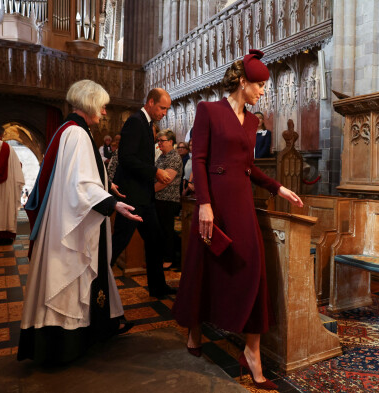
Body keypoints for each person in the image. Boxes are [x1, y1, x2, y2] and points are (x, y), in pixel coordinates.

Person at [172, 49, 303, 390]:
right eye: (259, 85)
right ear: (242, 82)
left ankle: (252, 351)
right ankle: (195, 330)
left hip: (241, 201)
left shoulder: (254, 120)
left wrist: (279, 188)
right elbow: (198, 160)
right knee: (204, 265)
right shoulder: (208, 110)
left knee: (252, 268)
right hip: (213, 200)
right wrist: (204, 204)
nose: (263, 91)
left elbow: (249, 168)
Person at [18, 80, 141, 364]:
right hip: (69, 221)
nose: (105, 112)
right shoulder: (76, 133)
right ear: (88, 102)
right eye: (102, 105)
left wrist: (107, 187)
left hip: (70, 214)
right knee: (70, 275)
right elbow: (80, 184)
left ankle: (97, 329)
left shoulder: (72, 130)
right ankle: (63, 345)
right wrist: (114, 204)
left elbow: (77, 176)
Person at [111, 88, 177, 299]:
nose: (164, 112)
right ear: (150, 102)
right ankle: (95, 285)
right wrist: (156, 171)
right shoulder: (135, 121)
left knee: (155, 240)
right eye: (162, 107)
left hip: (144, 196)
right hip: (131, 195)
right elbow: (127, 158)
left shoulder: (148, 125)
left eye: (167, 109)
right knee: (119, 242)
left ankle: (157, 287)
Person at [154, 129, 183, 270]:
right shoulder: (161, 157)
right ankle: (162, 256)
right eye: (158, 140)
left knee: (167, 230)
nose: (159, 143)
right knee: (160, 229)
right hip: (159, 198)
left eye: (162, 141)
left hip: (168, 198)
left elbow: (166, 180)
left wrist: (149, 191)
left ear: (171, 142)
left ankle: (169, 258)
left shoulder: (174, 157)